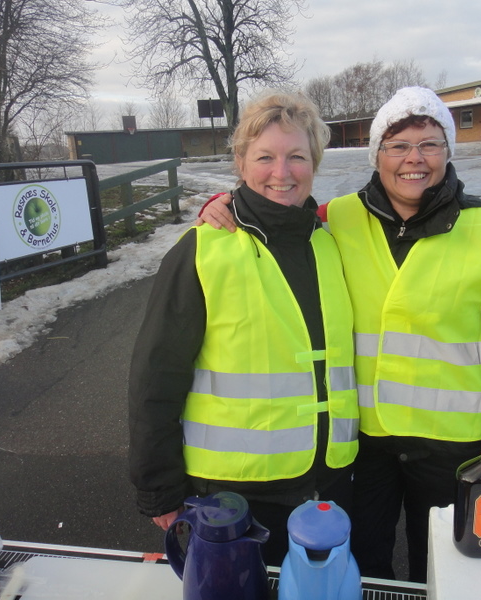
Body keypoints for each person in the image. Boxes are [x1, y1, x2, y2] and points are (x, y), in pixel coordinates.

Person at [197, 86, 481, 583]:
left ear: (448, 152)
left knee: (450, 570)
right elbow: (272, 206)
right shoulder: (336, 220)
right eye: (398, 146)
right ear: (376, 155)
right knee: (364, 566)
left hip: (455, 452)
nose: (414, 160)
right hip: (366, 447)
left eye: (430, 144)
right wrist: (221, 204)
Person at [127, 89, 359, 567]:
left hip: (326, 485)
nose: (282, 172)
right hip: (233, 501)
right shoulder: (204, 250)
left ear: (314, 162)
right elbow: (156, 375)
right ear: (240, 162)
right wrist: (159, 489)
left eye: (296, 156)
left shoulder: (329, 244)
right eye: (265, 157)